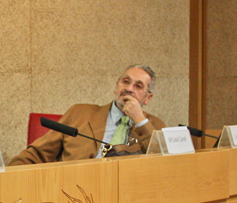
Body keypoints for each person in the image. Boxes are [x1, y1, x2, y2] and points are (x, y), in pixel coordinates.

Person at [9, 64, 166, 165]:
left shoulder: (155, 126)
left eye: (138, 86)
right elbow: (36, 155)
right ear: (116, 86)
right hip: (73, 193)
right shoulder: (79, 113)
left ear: (148, 98)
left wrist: (139, 120)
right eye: (125, 81)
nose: (129, 89)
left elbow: (167, 165)